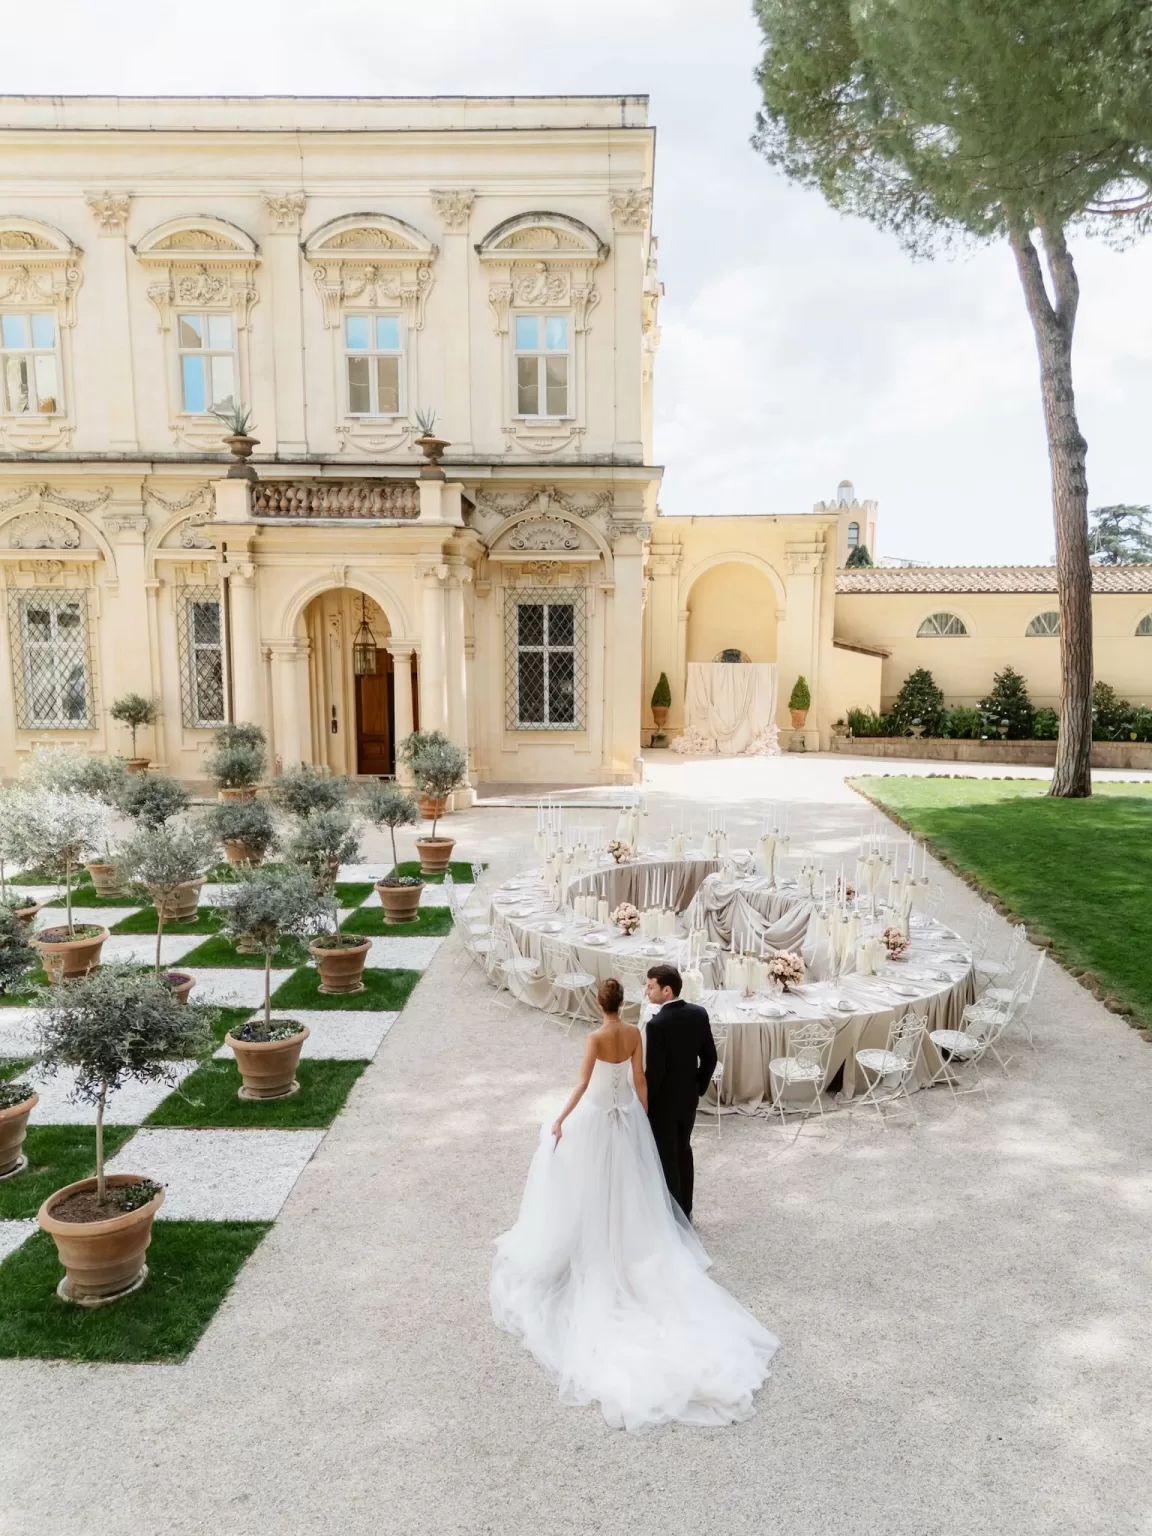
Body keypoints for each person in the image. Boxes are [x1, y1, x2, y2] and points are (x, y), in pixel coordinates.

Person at [490, 977, 777, 1431]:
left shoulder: (596, 1036)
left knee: (586, 1183)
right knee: (633, 1186)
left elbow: (584, 1084)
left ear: (595, 1003)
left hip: (597, 1120)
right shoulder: (631, 1034)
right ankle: (635, 1239)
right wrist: (641, 1117)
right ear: (622, 1002)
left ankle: (592, 1242)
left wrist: (560, 1119)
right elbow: (639, 1078)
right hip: (627, 1119)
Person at [643, 963, 717, 1222]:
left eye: (650, 987)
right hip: (687, 1098)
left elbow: (655, 1072)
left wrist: (645, 1103)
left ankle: (673, 1214)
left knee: (666, 1155)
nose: (646, 992)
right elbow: (710, 1057)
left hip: (663, 1102)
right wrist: (698, 1087)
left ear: (667, 990)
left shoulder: (657, 1025)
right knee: (684, 1150)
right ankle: (686, 1207)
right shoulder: (699, 1013)